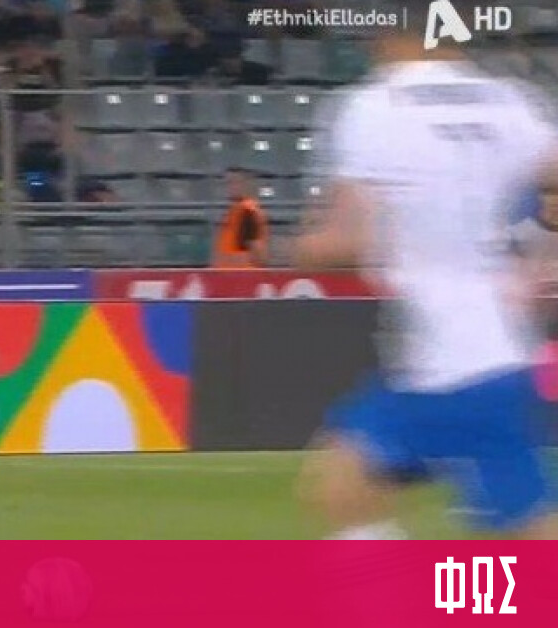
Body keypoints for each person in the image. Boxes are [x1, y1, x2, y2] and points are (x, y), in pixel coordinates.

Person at [293, 2, 558, 540]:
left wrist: (297, 248)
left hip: (449, 358)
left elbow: (344, 242)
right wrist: (531, 261)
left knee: (347, 485)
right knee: (346, 481)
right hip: (493, 348)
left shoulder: (373, 107)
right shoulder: (511, 103)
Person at [213, 167, 268, 268]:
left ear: (246, 184)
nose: (228, 187)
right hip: (229, 273)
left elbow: (257, 253)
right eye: (226, 183)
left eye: (233, 182)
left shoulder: (247, 211)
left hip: (240, 274)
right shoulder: (235, 211)